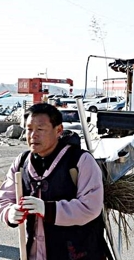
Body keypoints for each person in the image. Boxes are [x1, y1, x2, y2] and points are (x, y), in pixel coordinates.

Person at [0, 103, 106, 259]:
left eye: (40, 129)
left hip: (78, 253)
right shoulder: (22, 163)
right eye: (29, 129)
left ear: (58, 130)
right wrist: (10, 213)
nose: (33, 135)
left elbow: (90, 207)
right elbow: (5, 199)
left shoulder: (80, 161)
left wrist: (48, 209)